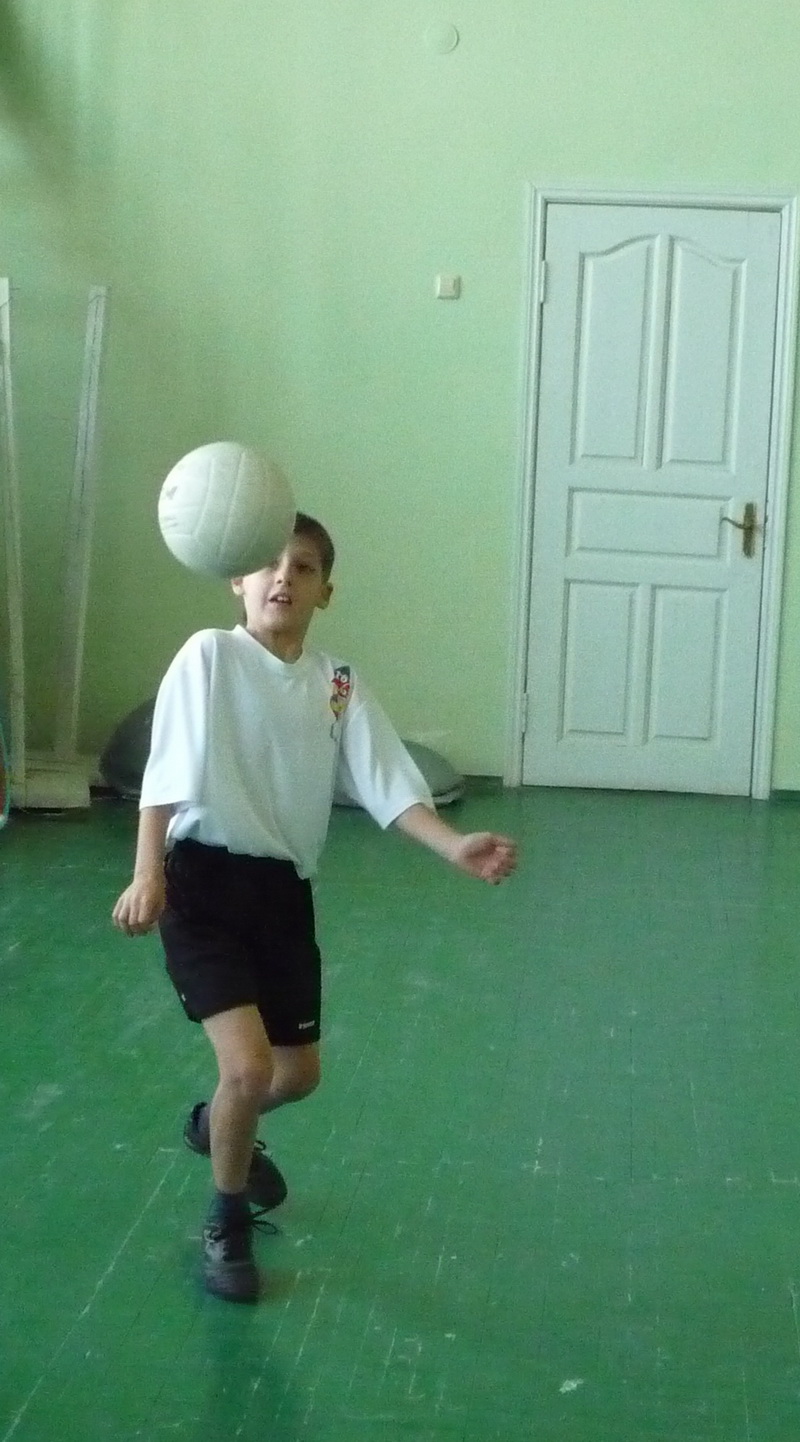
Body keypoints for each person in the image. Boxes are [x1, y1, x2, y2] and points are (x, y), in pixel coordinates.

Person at [112, 513, 517, 1303]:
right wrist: (146, 874)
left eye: (303, 568)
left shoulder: (337, 685)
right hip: (201, 886)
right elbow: (166, 769)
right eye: (268, 564)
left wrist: (453, 846)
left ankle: (216, 1127)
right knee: (248, 1067)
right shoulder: (210, 655)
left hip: (282, 896)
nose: (283, 578)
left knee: (296, 1076)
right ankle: (226, 1221)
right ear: (238, 579)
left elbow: (386, 781)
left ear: (325, 592)